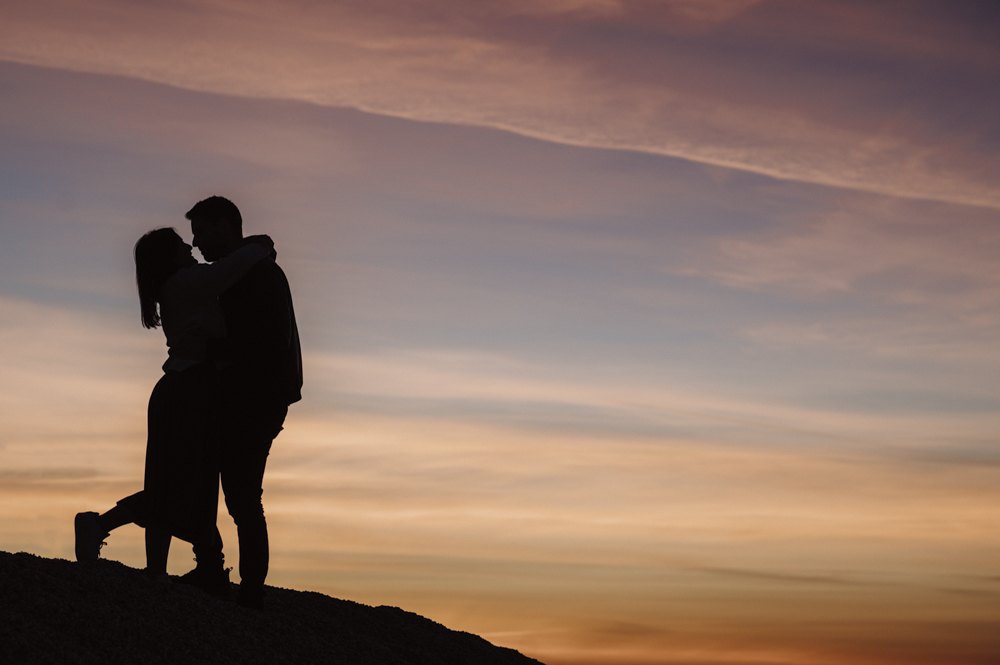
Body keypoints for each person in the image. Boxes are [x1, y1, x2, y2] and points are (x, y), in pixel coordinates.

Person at [74, 227, 274, 587]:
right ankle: (105, 529)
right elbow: (227, 269)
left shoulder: (180, 285)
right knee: (174, 483)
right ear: (170, 257)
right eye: (183, 244)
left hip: (190, 388)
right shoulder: (185, 282)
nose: (191, 246)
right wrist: (258, 247)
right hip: (188, 389)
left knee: (179, 481)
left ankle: (163, 568)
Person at [181, 196, 302, 610]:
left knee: (242, 494)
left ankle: (250, 591)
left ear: (224, 226)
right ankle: (218, 574)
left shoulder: (260, 274)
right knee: (225, 487)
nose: (196, 244)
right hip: (243, 396)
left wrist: (213, 346)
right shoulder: (244, 271)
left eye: (200, 233)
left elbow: (273, 340)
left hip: (258, 398)